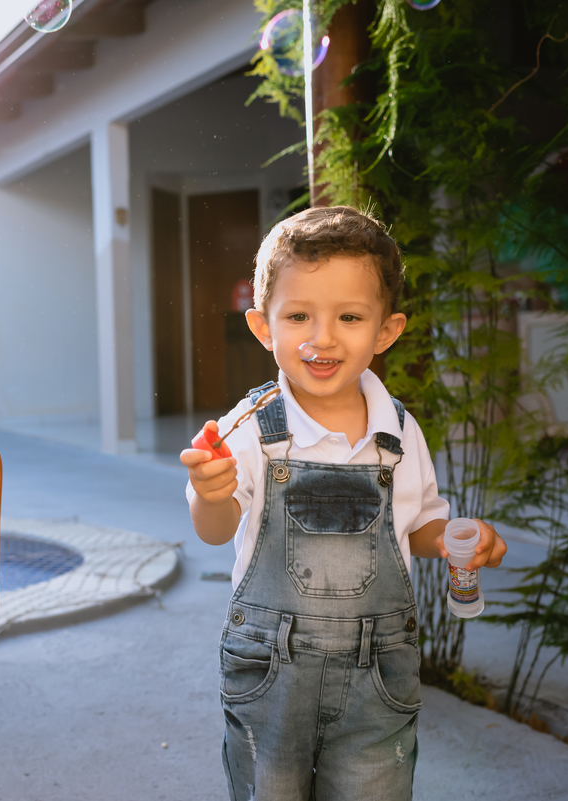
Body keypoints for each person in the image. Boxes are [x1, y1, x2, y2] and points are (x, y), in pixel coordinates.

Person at [180, 206, 507, 801]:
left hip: (378, 679)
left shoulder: (398, 431)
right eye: (298, 315)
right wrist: (211, 494)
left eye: (350, 317)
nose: (322, 337)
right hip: (270, 674)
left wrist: (458, 535)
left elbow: (418, 524)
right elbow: (214, 530)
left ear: (386, 330)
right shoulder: (252, 429)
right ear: (263, 327)